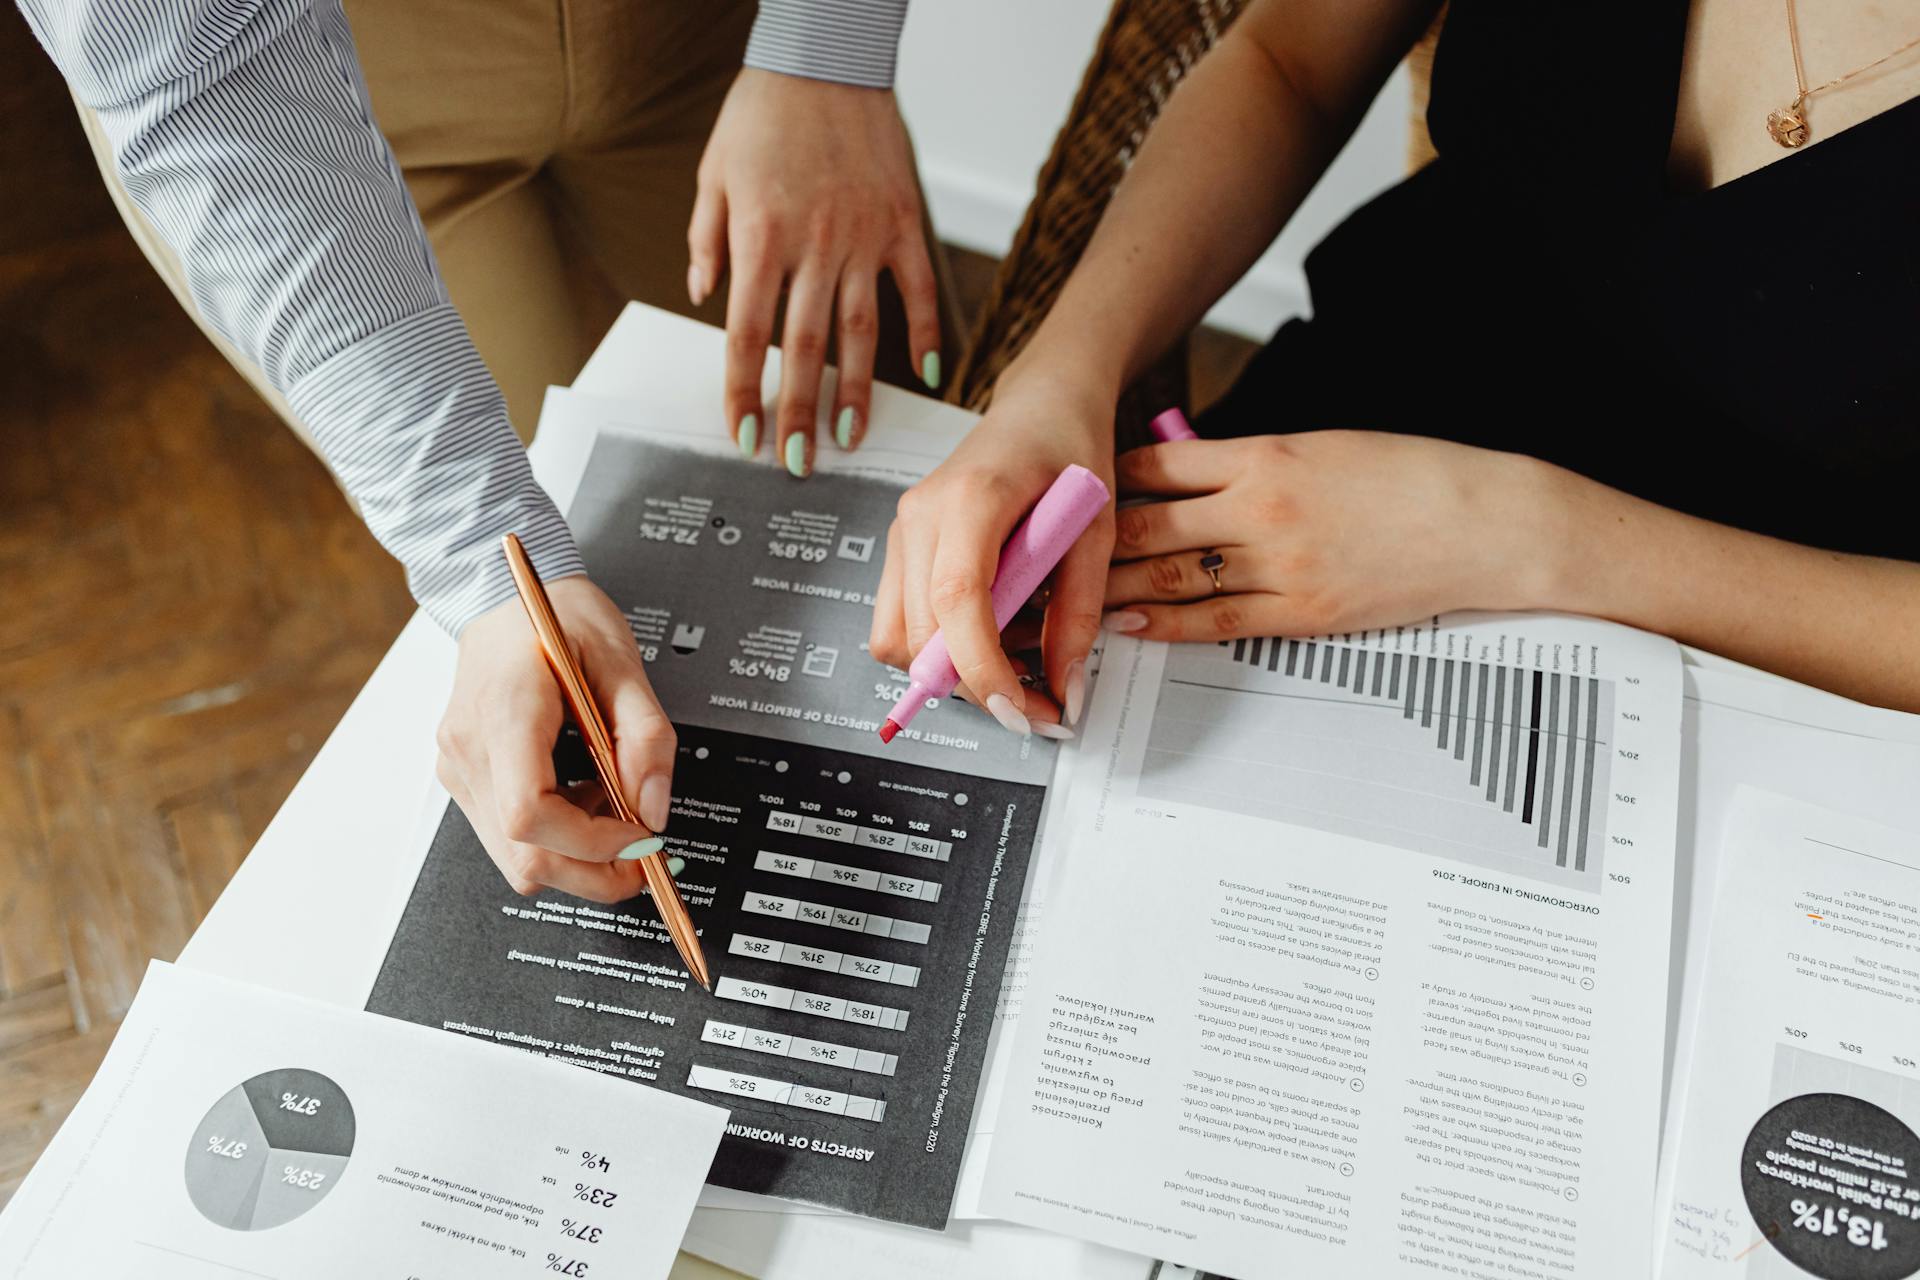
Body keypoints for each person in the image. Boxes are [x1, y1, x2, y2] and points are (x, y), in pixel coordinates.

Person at [21, 0, 945, 902]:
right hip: (321, 111)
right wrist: (483, 564)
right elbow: (199, 77)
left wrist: (828, 48)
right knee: (551, 651)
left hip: (724, 34)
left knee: (880, 459)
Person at [871, 0, 1920, 736]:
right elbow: (1290, 60)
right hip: (1311, 466)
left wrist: (1527, 536)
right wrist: (1061, 376)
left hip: (1765, 672)